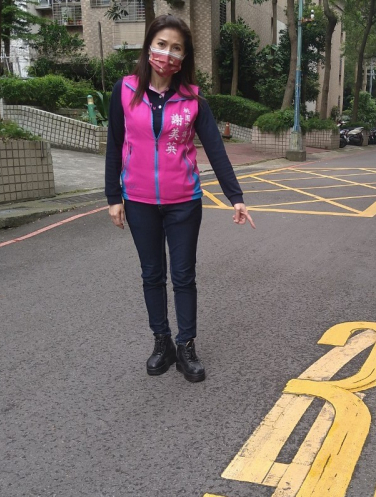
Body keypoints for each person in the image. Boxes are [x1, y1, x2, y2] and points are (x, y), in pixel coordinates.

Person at [105, 15, 255, 383]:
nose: (167, 54)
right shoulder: (125, 90)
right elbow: (114, 144)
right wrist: (113, 196)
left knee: (184, 276)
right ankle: (162, 342)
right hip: (138, 200)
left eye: (176, 48)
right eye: (161, 44)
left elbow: (216, 149)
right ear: (149, 46)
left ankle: (186, 345)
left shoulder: (193, 99)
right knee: (152, 274)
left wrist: (235, 196)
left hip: (184, 201)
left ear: (184, 56)